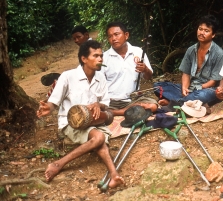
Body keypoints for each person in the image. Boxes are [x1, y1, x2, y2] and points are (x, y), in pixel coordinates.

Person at [36, 40, 124, 188]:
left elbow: (105, 103)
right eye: (95, 56)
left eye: (101, 56)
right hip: (71, 123)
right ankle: (59, 163)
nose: (100, 59)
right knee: (100, 137)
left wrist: (98, 104)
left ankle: (114, 176)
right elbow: (53, 102)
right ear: (84, 58)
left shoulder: (100, 78)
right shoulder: (67, 76)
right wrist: (48, 108)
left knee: (99, 139)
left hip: (94, 122)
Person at [153, 15, 223, 109]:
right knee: (157, 86)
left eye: (206, 31)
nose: (202, 33)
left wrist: (197, 88)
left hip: (205, 89)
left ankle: (173, 103)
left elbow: (213, 82)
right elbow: (186, 73)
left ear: (213, 34)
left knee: (203, 95)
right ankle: (183, 103)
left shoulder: (219, 53)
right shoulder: (191, 50)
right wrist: (185, 88)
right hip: (190, 88)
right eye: (200, 29)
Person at [102, 21, 158, 116]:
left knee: (153, 106)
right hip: (112, 102)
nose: (113, 39)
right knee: (100, 111)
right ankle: (128, 111)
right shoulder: (104, 57)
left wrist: (145, 69)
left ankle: (118, 113)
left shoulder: (138, 52)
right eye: (110, 36)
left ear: (126, 35)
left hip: (133, 99)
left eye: (116, 34)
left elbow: (148, 77)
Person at [41, 25, 92, 90]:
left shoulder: (91, 49)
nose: (76, 40)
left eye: (78, 37)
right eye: (74, 39)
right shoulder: (85, 48)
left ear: (86, 35)